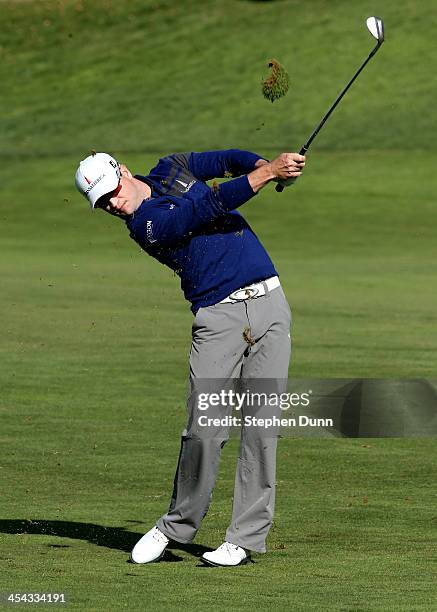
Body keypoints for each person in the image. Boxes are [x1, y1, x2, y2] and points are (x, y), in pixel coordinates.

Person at [75, 148, 306, 566]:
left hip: (270, 303)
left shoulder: (171, 168)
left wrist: (264, 167)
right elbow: (207, 205)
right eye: (102, 203)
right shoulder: (145, 226)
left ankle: (244, 538)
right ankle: (177, 525)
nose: (112, 203)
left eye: (112, 191)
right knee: (205, 429)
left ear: (123, 171)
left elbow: (227, 160)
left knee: (261, 428)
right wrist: (269, 173)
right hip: (219, 317)